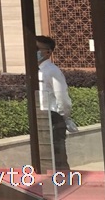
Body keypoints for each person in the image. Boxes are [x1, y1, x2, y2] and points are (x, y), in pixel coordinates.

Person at [36, 35, 73, 171]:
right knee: (44, 157)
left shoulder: (52, 70)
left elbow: (62, 97)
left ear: (48, 52)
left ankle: (64, 181)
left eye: (37, 48)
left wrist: (64, 117)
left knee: (58, 157)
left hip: (53, 117)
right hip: (40, 116)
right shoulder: (36, 71)